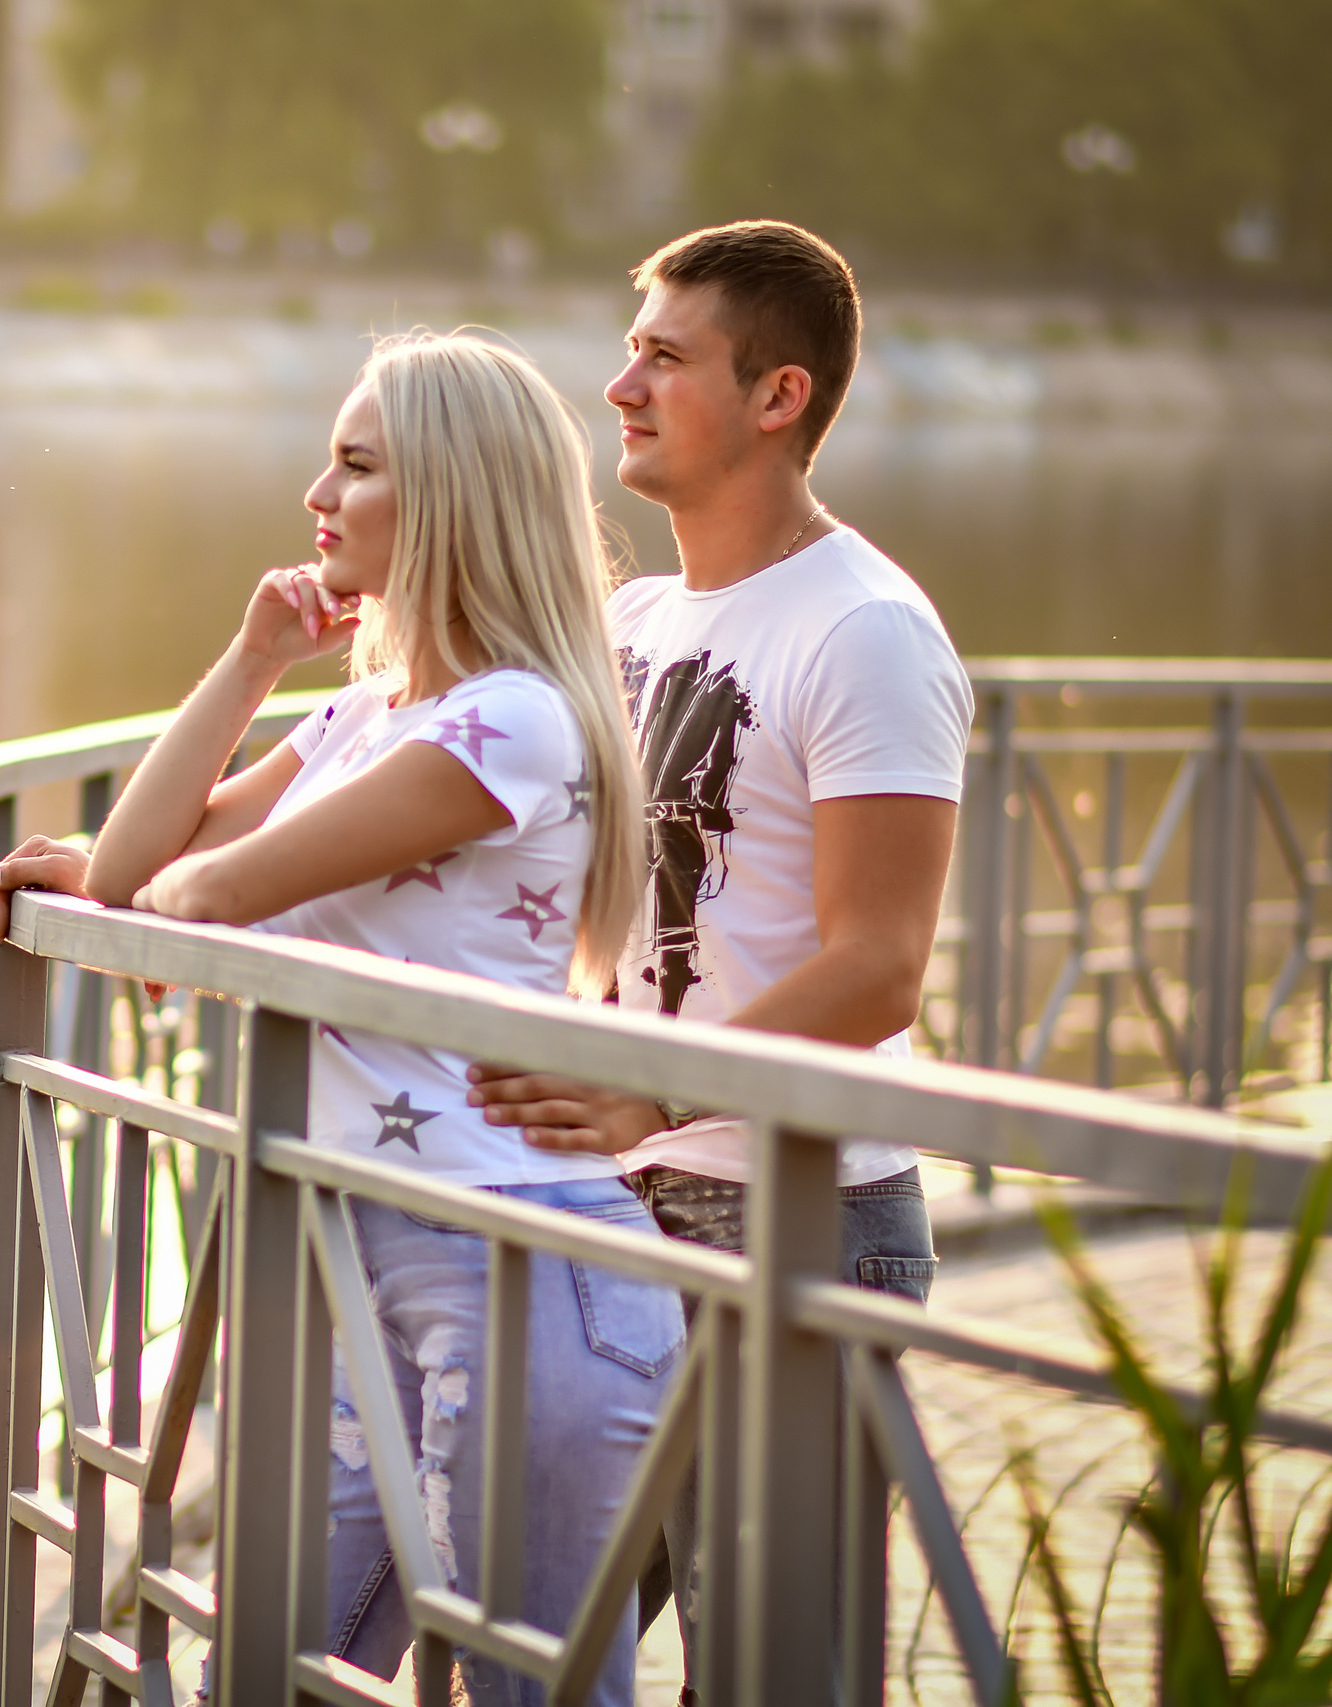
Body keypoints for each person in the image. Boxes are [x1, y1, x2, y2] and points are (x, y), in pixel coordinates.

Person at [0, 331, 679, 1705]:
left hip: (524, 1279)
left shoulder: (513, 728)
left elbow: (199, 899)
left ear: (451, 504)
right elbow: (130, 874)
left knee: (531, 1698)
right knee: (276, 1676)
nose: (318, 490)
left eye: (357, 466)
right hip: (364, 1263)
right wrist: (253, 660)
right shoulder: (370, 711)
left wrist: (164, 899)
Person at [462, 221, 973, 1696]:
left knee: (761, 1676)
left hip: (789, 1225)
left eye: (665, 358)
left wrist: (645, 1093)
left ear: (778, 395)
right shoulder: (633, 619)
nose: (619, 385)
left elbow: (878, 966)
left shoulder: (865, 631)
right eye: (631, 349)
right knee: (546, 1654)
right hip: (612, 1205)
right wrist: (150, 871)